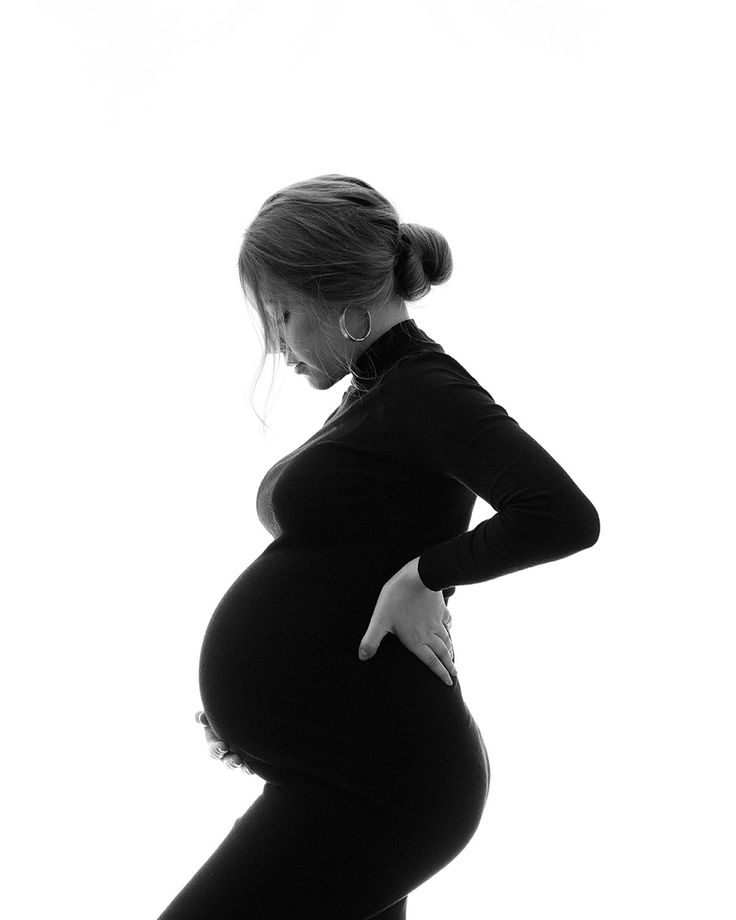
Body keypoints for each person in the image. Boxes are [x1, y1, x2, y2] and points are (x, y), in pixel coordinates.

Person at [155, 174, 600, 919]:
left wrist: (427, 575)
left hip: (383, 785)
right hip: (352, 772)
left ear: (338, 298)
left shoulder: (424, 387)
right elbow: (366, 541)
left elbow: (561, 514)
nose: (278, 341)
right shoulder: (377, 386)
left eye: (284, 312)